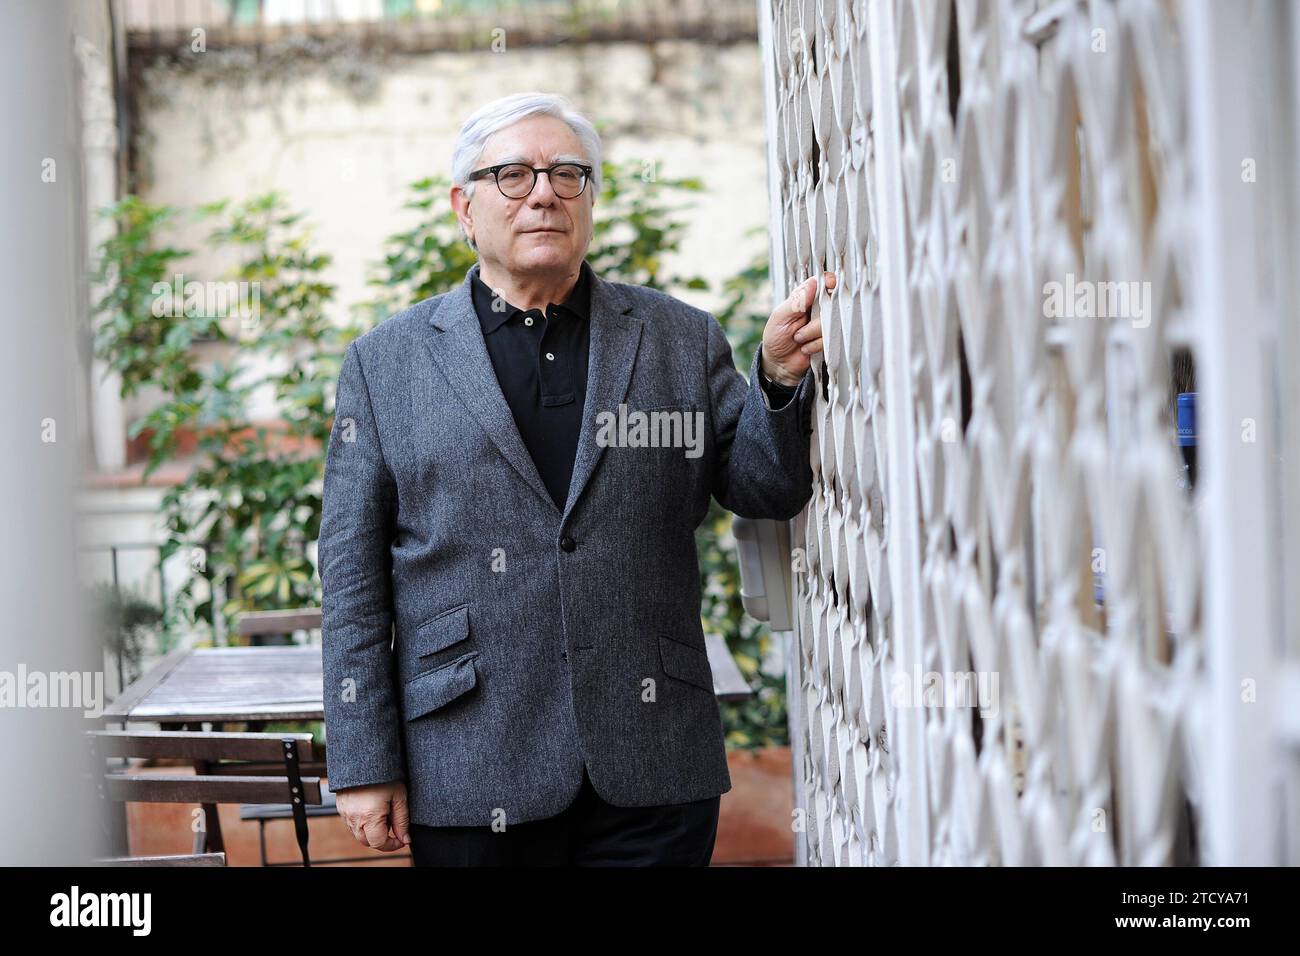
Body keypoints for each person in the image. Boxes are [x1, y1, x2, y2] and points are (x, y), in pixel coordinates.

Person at [319, 90, 834, 866]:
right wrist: (363, 764)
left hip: (650, 758)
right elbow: (351, 577)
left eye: (568, 174)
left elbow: (761, 486)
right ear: (464, 206)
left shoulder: (677, 338)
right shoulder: (385, 364)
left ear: (590, 199)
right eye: (513, 176)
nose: (544, 195)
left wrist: (777, 378)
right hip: (469, 759)